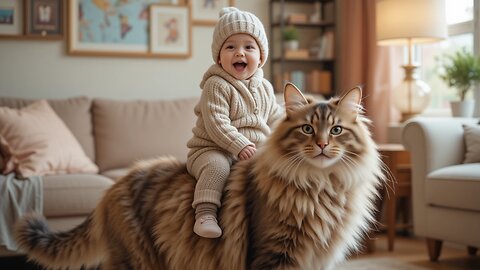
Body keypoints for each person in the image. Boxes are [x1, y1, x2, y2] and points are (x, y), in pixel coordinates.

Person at [187, 7, 283, 238]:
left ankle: (268, 218)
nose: (240, 53)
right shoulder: (216, 85)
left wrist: (288, 130)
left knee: (274, 172)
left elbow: (275, 117)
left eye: (249, 47)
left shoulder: (265, 87)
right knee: (217, 167)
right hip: (212, 149)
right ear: (219, 57)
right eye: (230, 47)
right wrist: (239, 144)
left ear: (260, 57)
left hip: (251, 151)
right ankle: (205, 213)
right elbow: (217, 122)